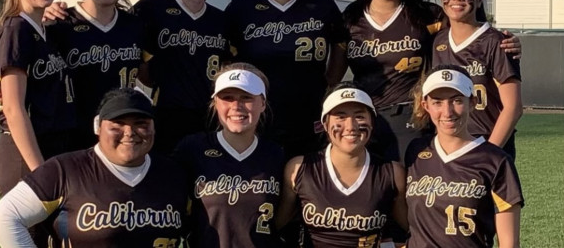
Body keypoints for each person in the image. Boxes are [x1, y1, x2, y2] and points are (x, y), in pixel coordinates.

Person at [341, 0, 522, 164]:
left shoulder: (427, 16)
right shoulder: (350, 18)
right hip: (365, 117)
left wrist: (505, 41)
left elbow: (466, 26)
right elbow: (333, 73)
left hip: (410, 118)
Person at [0, 0, 145, 152]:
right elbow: (22, 78)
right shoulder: (58, 24)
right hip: (69, 138)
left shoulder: (136, 25)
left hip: (117, 135)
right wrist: (1, 88)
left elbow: (148, 76)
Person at [0, 88, 188, 247]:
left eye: (140, 123)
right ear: (98, 127)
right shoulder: (65, 169)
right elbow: (3, 218)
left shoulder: (173, 174)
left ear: (154, 127)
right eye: (117, 124)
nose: (129, 132)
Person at [225, 0, 348, 159]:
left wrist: (331, 82)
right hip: (257, 116)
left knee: (304, 181)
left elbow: (340, 43)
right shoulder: (242, 6)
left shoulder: (321, 4)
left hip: (307, 113)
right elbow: (225, 58)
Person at [0, 0, 75, 198]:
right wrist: (41, 173)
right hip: (24, 153)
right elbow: (14, 110)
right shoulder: (16, 29)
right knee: (32, 237)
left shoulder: (45, 29)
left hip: (51, 146)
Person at [277, 82, 407, 247]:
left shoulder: (392, 173)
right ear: (325, 124)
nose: (351, 126)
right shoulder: (299, 169)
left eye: (359, 116)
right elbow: (275, 226)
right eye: (340, 116)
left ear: (372, 123)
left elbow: (414, 229)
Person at [406, 65, 523, 247]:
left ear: (473, 102)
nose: (448, 112)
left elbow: (509, 243)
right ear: (425, 105)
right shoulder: (416, 152)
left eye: (457, 100)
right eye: (438, 102)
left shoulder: (496, 161)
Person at [134, 0, 231, 153]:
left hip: (210, 118)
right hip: (165, 116)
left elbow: (228, 67)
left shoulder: (222, 20)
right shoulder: (152, 8)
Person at [174, 63, 284, 247]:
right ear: (215, 103)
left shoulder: (276, 154)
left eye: (246, 97)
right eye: (227, 98)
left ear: (263, 103)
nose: (236, 106)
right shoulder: (192, 149)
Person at [432, 0, 522, 159]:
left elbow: (513, 107)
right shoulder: (437, 41)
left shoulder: (497, 42)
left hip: (488, 144)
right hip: (448, 147)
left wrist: (489, 153)